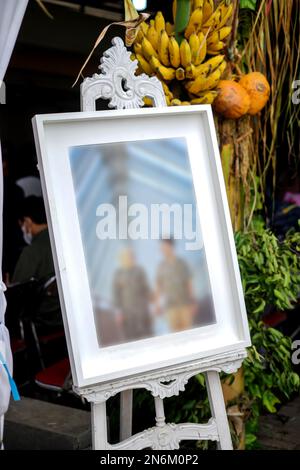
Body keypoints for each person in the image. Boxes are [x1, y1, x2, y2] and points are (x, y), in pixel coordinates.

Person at [12, 196, 62, 330]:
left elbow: (17, 296)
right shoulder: (63, 242)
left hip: (44, 324)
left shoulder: (31, 252)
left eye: (21, 224)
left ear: (27, 222)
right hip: (67, 316)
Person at [113, 247, 152, 342]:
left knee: (146, 336)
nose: (131, 258)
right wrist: (118, 313)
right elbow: (116, 294)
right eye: (128, 257)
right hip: (127, 314)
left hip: (142, 311)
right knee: (131, 338)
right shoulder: (118, 274)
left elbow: (146, 289)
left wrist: (153, 306)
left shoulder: (140, 271)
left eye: (132, 257)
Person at [156, 238, 195, 332]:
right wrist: (157, 305)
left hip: (184, 305)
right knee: (175, 336)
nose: (162, 249)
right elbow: (158, 287)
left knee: (188, 333)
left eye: (164, 246)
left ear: (170, 246)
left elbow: (189, 283)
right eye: (162, 247)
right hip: (170, 307)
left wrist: (193, 301)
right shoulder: (161, 267)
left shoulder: (182, 263)